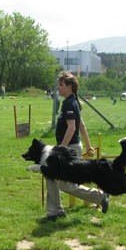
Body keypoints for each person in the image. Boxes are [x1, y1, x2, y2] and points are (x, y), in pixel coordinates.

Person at [45, 71, 109, 221]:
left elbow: (72, 127)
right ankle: (55, 211)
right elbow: (82, 125)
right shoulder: (72, 101)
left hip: (69, 149)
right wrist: (88, 146)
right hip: (72, 147)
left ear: (69, 87)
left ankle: (99, 197)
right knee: (53, 178)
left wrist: (60, 149)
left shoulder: (69, 104)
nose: (58, 88)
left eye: (61, 85)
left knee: (65, 184)